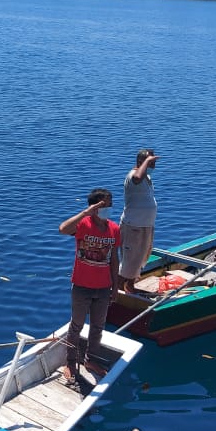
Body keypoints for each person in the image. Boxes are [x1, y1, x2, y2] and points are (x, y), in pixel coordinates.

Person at [58, 188, 121, 385]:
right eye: (104, 205)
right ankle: (70, 363)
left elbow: (114, 259)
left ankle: (91, 360)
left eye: (109, 204)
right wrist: (86, 213)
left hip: (103, 288)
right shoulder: (83, 225)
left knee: (98, 326)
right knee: (76, 325)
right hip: (82, 286)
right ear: (94, 206)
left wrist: (115, 286)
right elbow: (63, 229)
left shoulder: (114, 229)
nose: (108, 208)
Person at [118, 149, 159, 293]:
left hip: (146, 225)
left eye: (153, 162)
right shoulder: (133, 176)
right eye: (151, 162)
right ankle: (116, 291)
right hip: (133, 225)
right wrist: (147, 162)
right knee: (129, 260)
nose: (153, 165)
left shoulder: (146, 177)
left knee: (140, 257)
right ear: (142, 162)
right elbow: (136, 178)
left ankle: (130, 285)